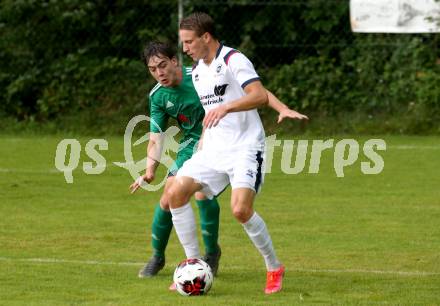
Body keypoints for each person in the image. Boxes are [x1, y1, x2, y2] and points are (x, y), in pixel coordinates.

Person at [129, 41, 305, 288]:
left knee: (203, 196)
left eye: (163, 65)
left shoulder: (202, 74)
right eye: (152, 69)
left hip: (220, 140)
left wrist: (281, 107)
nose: (159, 73)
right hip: (191, 143)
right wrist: (149, 171)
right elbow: (155, 138)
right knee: (169, 196)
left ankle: (210, 255)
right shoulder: (158, 95)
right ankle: (160, 257)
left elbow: (255, 92)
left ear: (175, 61)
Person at [166, 12, 308, 295]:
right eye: (183, 43)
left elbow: (257, 93)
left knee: (240, 210)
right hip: (213, 148)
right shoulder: (196, 70)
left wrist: (230, 107)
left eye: (189, 41)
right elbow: (209, 107)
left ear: (206, 37)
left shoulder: (233, 59)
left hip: (245, 147)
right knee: (175, 192)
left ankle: (273, 266)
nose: (185, 48)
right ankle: (193, 264)